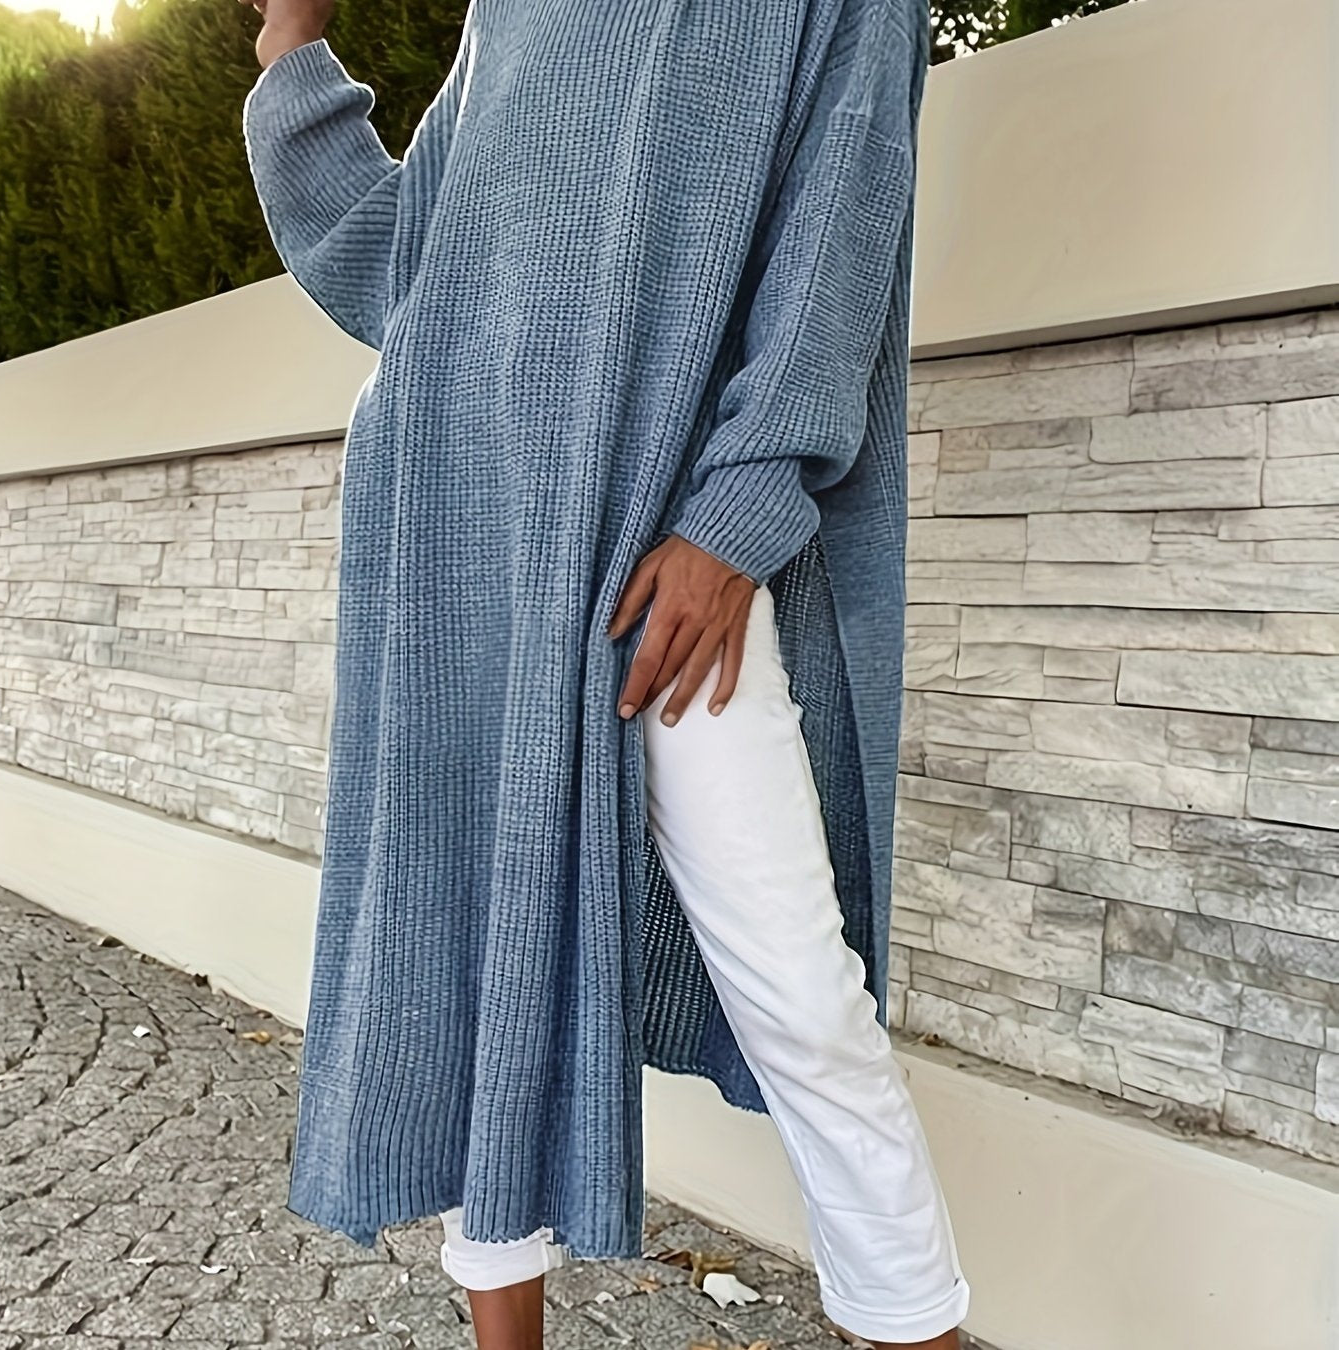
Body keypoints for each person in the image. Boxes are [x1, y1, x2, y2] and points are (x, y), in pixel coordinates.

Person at [238, 0, 971, 1346]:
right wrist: (292, 49)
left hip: (663, 548)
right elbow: (409, 263)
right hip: (467, 542)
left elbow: (841, 230)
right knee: (474, 951)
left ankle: (912, 1317)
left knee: (803, 998)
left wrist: (735, 520)